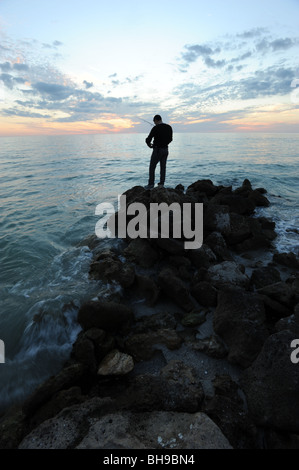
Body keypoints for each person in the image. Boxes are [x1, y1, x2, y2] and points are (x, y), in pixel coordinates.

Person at [144, 115, 173, 189]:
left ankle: (151, 184)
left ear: (156, 120)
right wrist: (164, 144)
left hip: (157, 150)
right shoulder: (169, 127)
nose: (154, 123)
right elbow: (170, 139)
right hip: (165, 150)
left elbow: (148, 139)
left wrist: (150, 145)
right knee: (163, 167)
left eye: (154, 122)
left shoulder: (155, 128)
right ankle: (161, 184)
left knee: (152, 167)